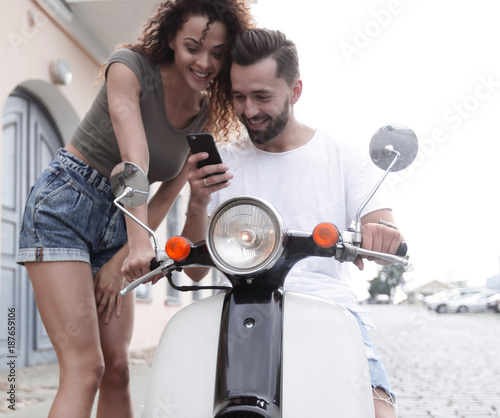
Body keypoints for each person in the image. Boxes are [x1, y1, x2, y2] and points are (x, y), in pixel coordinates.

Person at [16, 1, 253, 417]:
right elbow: (133, 162)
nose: (204, 62)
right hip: (66, 205)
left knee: (118, 369)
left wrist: (122, 257)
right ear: (170, 40)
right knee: (85, 369)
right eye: (193, 47)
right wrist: (139, 243)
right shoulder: (129, 67)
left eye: (217, 53)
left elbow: (166, 197)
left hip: (125, 223)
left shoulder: (205, 117)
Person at [181, 28, 401, 418]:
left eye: (262, 96)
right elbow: (196, 272)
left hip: (329, 309)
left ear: (295, 91)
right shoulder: (220, 165)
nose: (249, 110)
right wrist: (197, 203)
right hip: (239, 311)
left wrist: (383, 235)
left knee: (377, 411)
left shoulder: (343, 157)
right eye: (239, 96)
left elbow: (383, 232)